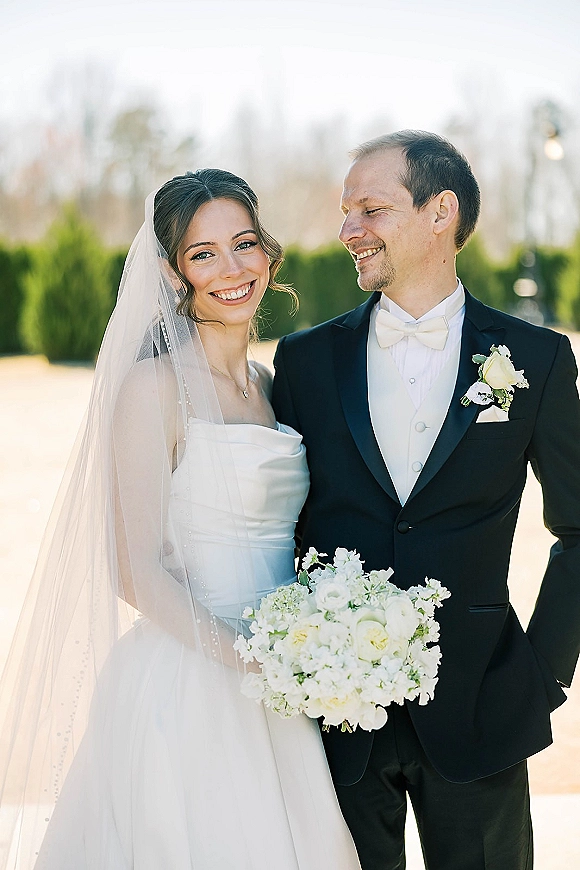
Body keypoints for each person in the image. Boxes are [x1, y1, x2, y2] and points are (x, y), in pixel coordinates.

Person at [0, 169, 361, 869]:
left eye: (245, 243)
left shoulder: (271, 387)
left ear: (268, 253)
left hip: (283, 676)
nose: (232, 269)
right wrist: (249, 661)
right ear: (172, 273)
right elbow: (136, 571)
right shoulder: (153, 387)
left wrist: (304, 654)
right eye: (204, 254)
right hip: (191, 677)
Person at [272, 130, 580, 870]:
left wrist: (542, 676)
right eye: (346, 212)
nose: (349, 231)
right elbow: (276, 523)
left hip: (483, 708)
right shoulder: (305, 361)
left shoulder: (535, 359)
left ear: (441, 211)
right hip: (337, 718)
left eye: (371, 209)